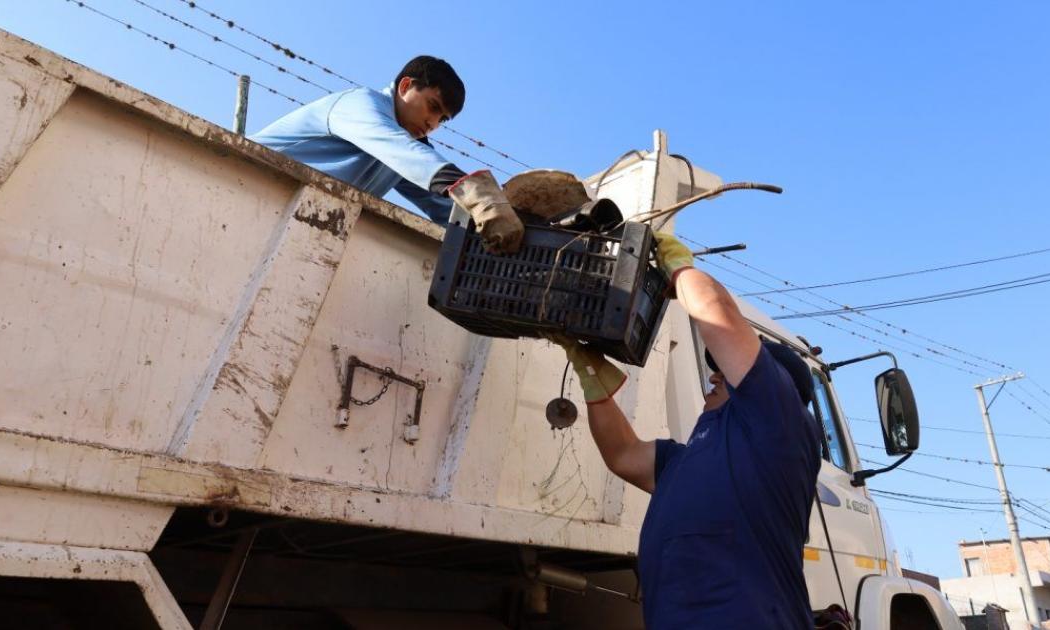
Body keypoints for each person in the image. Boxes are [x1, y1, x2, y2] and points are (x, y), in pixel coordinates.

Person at [551, 233, 823, 629]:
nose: (715, 374)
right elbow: (623, 454)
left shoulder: (779, 420)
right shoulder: (688, 460)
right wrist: (590, 375)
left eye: (725, 368)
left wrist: (679, 267)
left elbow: (718, 313)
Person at [250, 55, 523, 253]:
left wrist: (512, 228)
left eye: (442, 120)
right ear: (405, 87)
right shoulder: (360, 104)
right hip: (244, 181)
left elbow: (448, 209)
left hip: (288, 215)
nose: (433, 124)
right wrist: (480, 195)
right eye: (432, 106)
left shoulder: (408, 151)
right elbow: (403, 152)